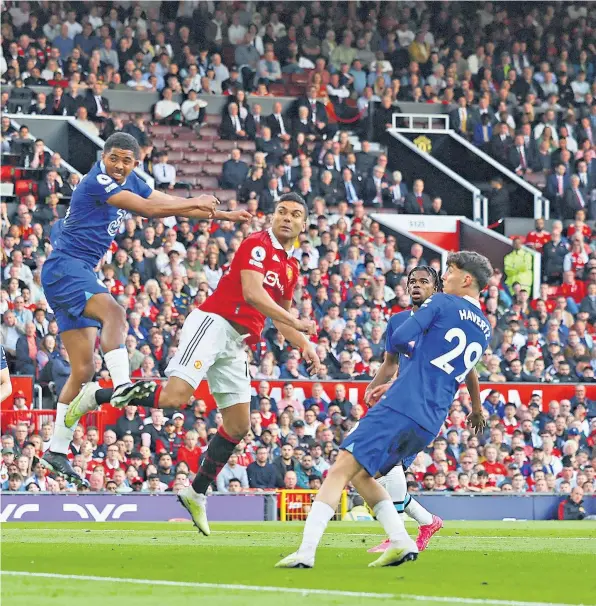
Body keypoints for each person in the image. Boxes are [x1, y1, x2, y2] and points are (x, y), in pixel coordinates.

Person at [65, 194, 320, 536]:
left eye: (295, 215)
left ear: (305, 225)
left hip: (237, 341)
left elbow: (282, 319)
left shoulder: (290, 266)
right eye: (281, 212)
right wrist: (295, 319)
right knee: (174, 399)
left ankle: (195, 491)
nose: (286, 218)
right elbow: (252, 294)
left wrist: (304, 344)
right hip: (213, 322)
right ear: (272, 217)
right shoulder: (257, 244)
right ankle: (99, 394)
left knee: (239, 425)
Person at [40, 133, 250, 486]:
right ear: (103, 156)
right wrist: (195, 200)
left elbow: (159, 198)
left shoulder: (129, 178)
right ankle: (122, 385)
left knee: (83, 369)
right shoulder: (98, 180)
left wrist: (222, 214)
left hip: (72, 271)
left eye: (127, 161)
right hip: (67, 266)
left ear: (136, 163)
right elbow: (150, 210)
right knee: (116, 315)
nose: (120, 166)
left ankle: (56, 450)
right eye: (114, 158)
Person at [276, 251, 492, 569]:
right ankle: (402, 542)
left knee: (340, 467)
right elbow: (448, 369)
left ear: (466, 279)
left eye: (449, 272)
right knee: (363, 474)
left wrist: (401, 373)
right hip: (431, 420)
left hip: (402, 405)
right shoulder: (485, 328)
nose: (444, 277)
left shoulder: (442, 303)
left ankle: (306, 553)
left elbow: (404, 337)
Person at [364, 266, 463, 553]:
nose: (416, 286)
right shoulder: (397, 321)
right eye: (411, 282)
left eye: (423, 281)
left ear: (437, 289)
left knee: (386, 462)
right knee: (379, 471)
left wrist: (476, 406)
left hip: (424, 406)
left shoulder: (444, 322)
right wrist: (371, 389)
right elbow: (390, 363)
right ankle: (426, 521)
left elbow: (464, 369)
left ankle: (396, 535)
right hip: (398, 401)